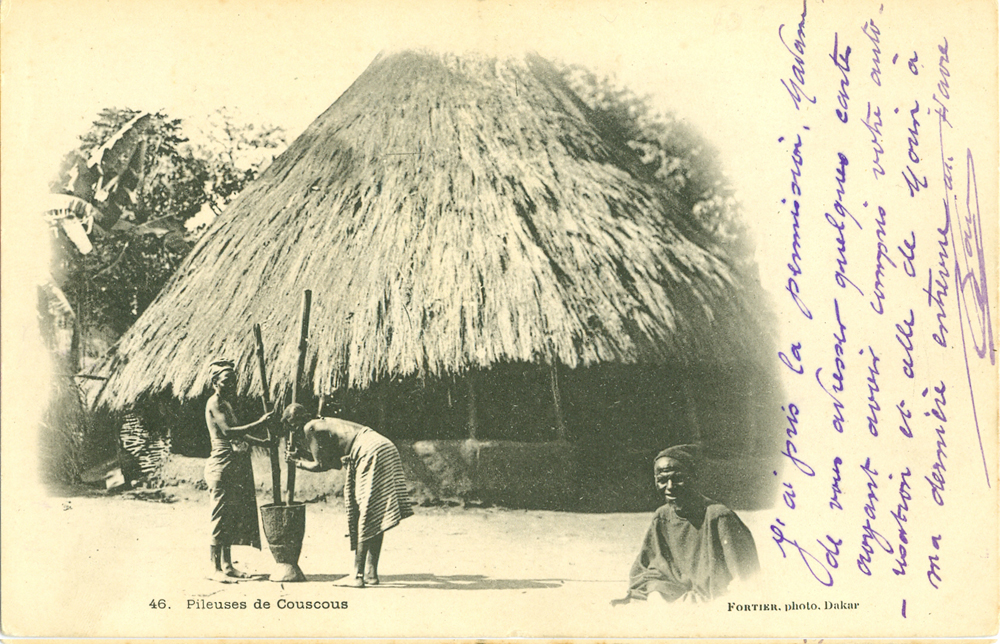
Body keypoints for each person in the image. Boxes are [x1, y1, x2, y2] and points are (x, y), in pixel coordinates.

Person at [282, 403, 413, 587]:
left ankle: (357, 575)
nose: (293, 430)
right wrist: (303, 456)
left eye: (291, 425)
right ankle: (370, 573)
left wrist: (298, 462)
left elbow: (320, 465)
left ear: (294, 423)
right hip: (383, 445)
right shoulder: (322, 423)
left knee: (366, 512)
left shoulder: (309, 427)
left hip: (369, 450)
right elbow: (333, 462)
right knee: (374, 510)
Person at [616, 444, 759, 604]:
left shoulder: (718, 516)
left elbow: (745, 577)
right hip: (673, 595)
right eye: (662, 480)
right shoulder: (662, 516)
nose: (670, 487)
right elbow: (647, 568)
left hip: (709, 600)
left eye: (678, 479)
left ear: (694, 477)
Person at [204, 360, 274, 580]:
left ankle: (227, 566)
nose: (232, 384)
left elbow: (241, 436)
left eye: (234, 380)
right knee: (219, 517)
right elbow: (228, 432)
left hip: (233, 466)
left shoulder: (226, 404)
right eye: (227, 380)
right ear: (215, 382)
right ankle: (214, 569)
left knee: (229, 517)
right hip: (221, 466)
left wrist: (262, 442)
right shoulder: (214, 403)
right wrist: (260, 422)